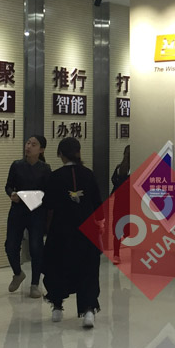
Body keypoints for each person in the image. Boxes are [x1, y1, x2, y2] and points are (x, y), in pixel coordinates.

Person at [43, 137, 103, 329]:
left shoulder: (55, 176)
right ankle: (88, 310)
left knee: (57, 266)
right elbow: (98, 204)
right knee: (88, 269)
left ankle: (57, 306)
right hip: (86, 231)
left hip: (61, 231)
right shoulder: (89, 174)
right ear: (78, 152)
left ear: (60, 154)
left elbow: (48, 203)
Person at [5, 134, 52, 298]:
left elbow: (49, 191)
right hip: (18, 210)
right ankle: (18, 273)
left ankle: (35, 284)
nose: (29, 146)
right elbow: (8, 186)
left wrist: (39, 198)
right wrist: (11, 194)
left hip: (37, 211)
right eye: (28, 143)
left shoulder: (45, 168)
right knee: (10, 246)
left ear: (41, 150)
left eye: (33, 144)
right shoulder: (17, 165)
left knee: (36, 247)